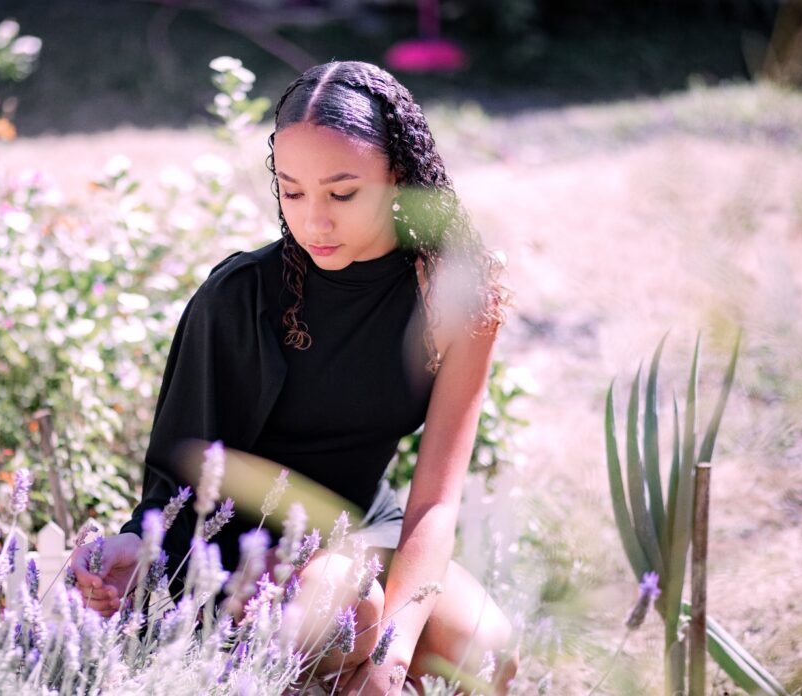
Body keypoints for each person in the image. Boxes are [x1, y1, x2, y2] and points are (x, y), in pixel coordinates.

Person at [71, 60, 518, 695]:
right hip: (242, 553)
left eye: (342, 193)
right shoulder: (238, 298)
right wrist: (134, 546)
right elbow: (180, 473)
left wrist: (391, 659)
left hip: (363, 529)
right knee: (350, 612)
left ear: (399, 176)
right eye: (292, 191)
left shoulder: (456, 296)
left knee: (487, 651)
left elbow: (435, 504)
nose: (314, 221)